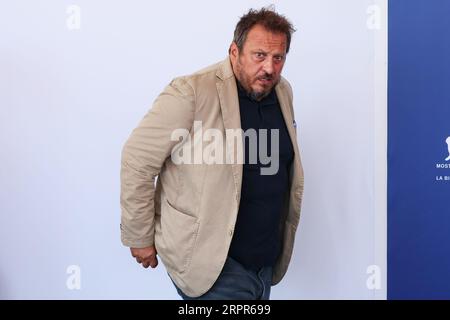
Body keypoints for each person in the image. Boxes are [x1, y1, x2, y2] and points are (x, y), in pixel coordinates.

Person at [120, 7, 304, 300]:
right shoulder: (191, 92)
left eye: (278, 57)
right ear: (235, 51)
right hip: (213, 266)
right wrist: (139, 235)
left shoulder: (283, 92)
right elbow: (137, 160)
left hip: (264, 263)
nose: (269, 68)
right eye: (259, 55)